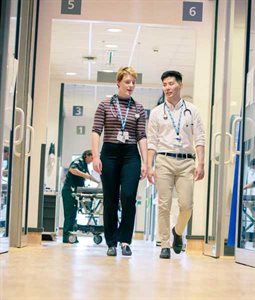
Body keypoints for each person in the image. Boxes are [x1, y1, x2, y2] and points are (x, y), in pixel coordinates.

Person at [147, 70, 205, 259]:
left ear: (180, 85)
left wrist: (201, 163)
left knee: (186, 205)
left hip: (187, 162)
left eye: (171, 84)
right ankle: (164, 244)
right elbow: (152, 141)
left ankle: (177, 233)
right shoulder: (156, 112)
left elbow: (200, 138)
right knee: (163, 205)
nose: (167, 88)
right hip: (163, 160)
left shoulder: (192, 110)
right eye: (164, 84)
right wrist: (149, 165)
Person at [91, 66, 147, 257]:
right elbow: (96, 131)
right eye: (127, 82)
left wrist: (146, 163)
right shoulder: (105, 105)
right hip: (110, 154)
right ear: (118, 83)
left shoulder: (138, 107)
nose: (131, 85)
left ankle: (125, 241)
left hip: (131, 155)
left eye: (133, 82)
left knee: (129, 197)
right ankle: (111, 242)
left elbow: (142, 136)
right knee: (111, 199)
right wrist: (96, 156)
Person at [62, 150, 99, 243]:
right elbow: (72, 170)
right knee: (69, 214)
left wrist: (98, 182)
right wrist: (85, 176)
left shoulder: (85, 165)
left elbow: (89, 176)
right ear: (87, 155)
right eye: (92, 158)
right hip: (69, 191)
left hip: (75, 191)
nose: (92, 161)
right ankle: (66, 237)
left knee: (73, 214)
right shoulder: (78, 161)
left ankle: (71, 235)